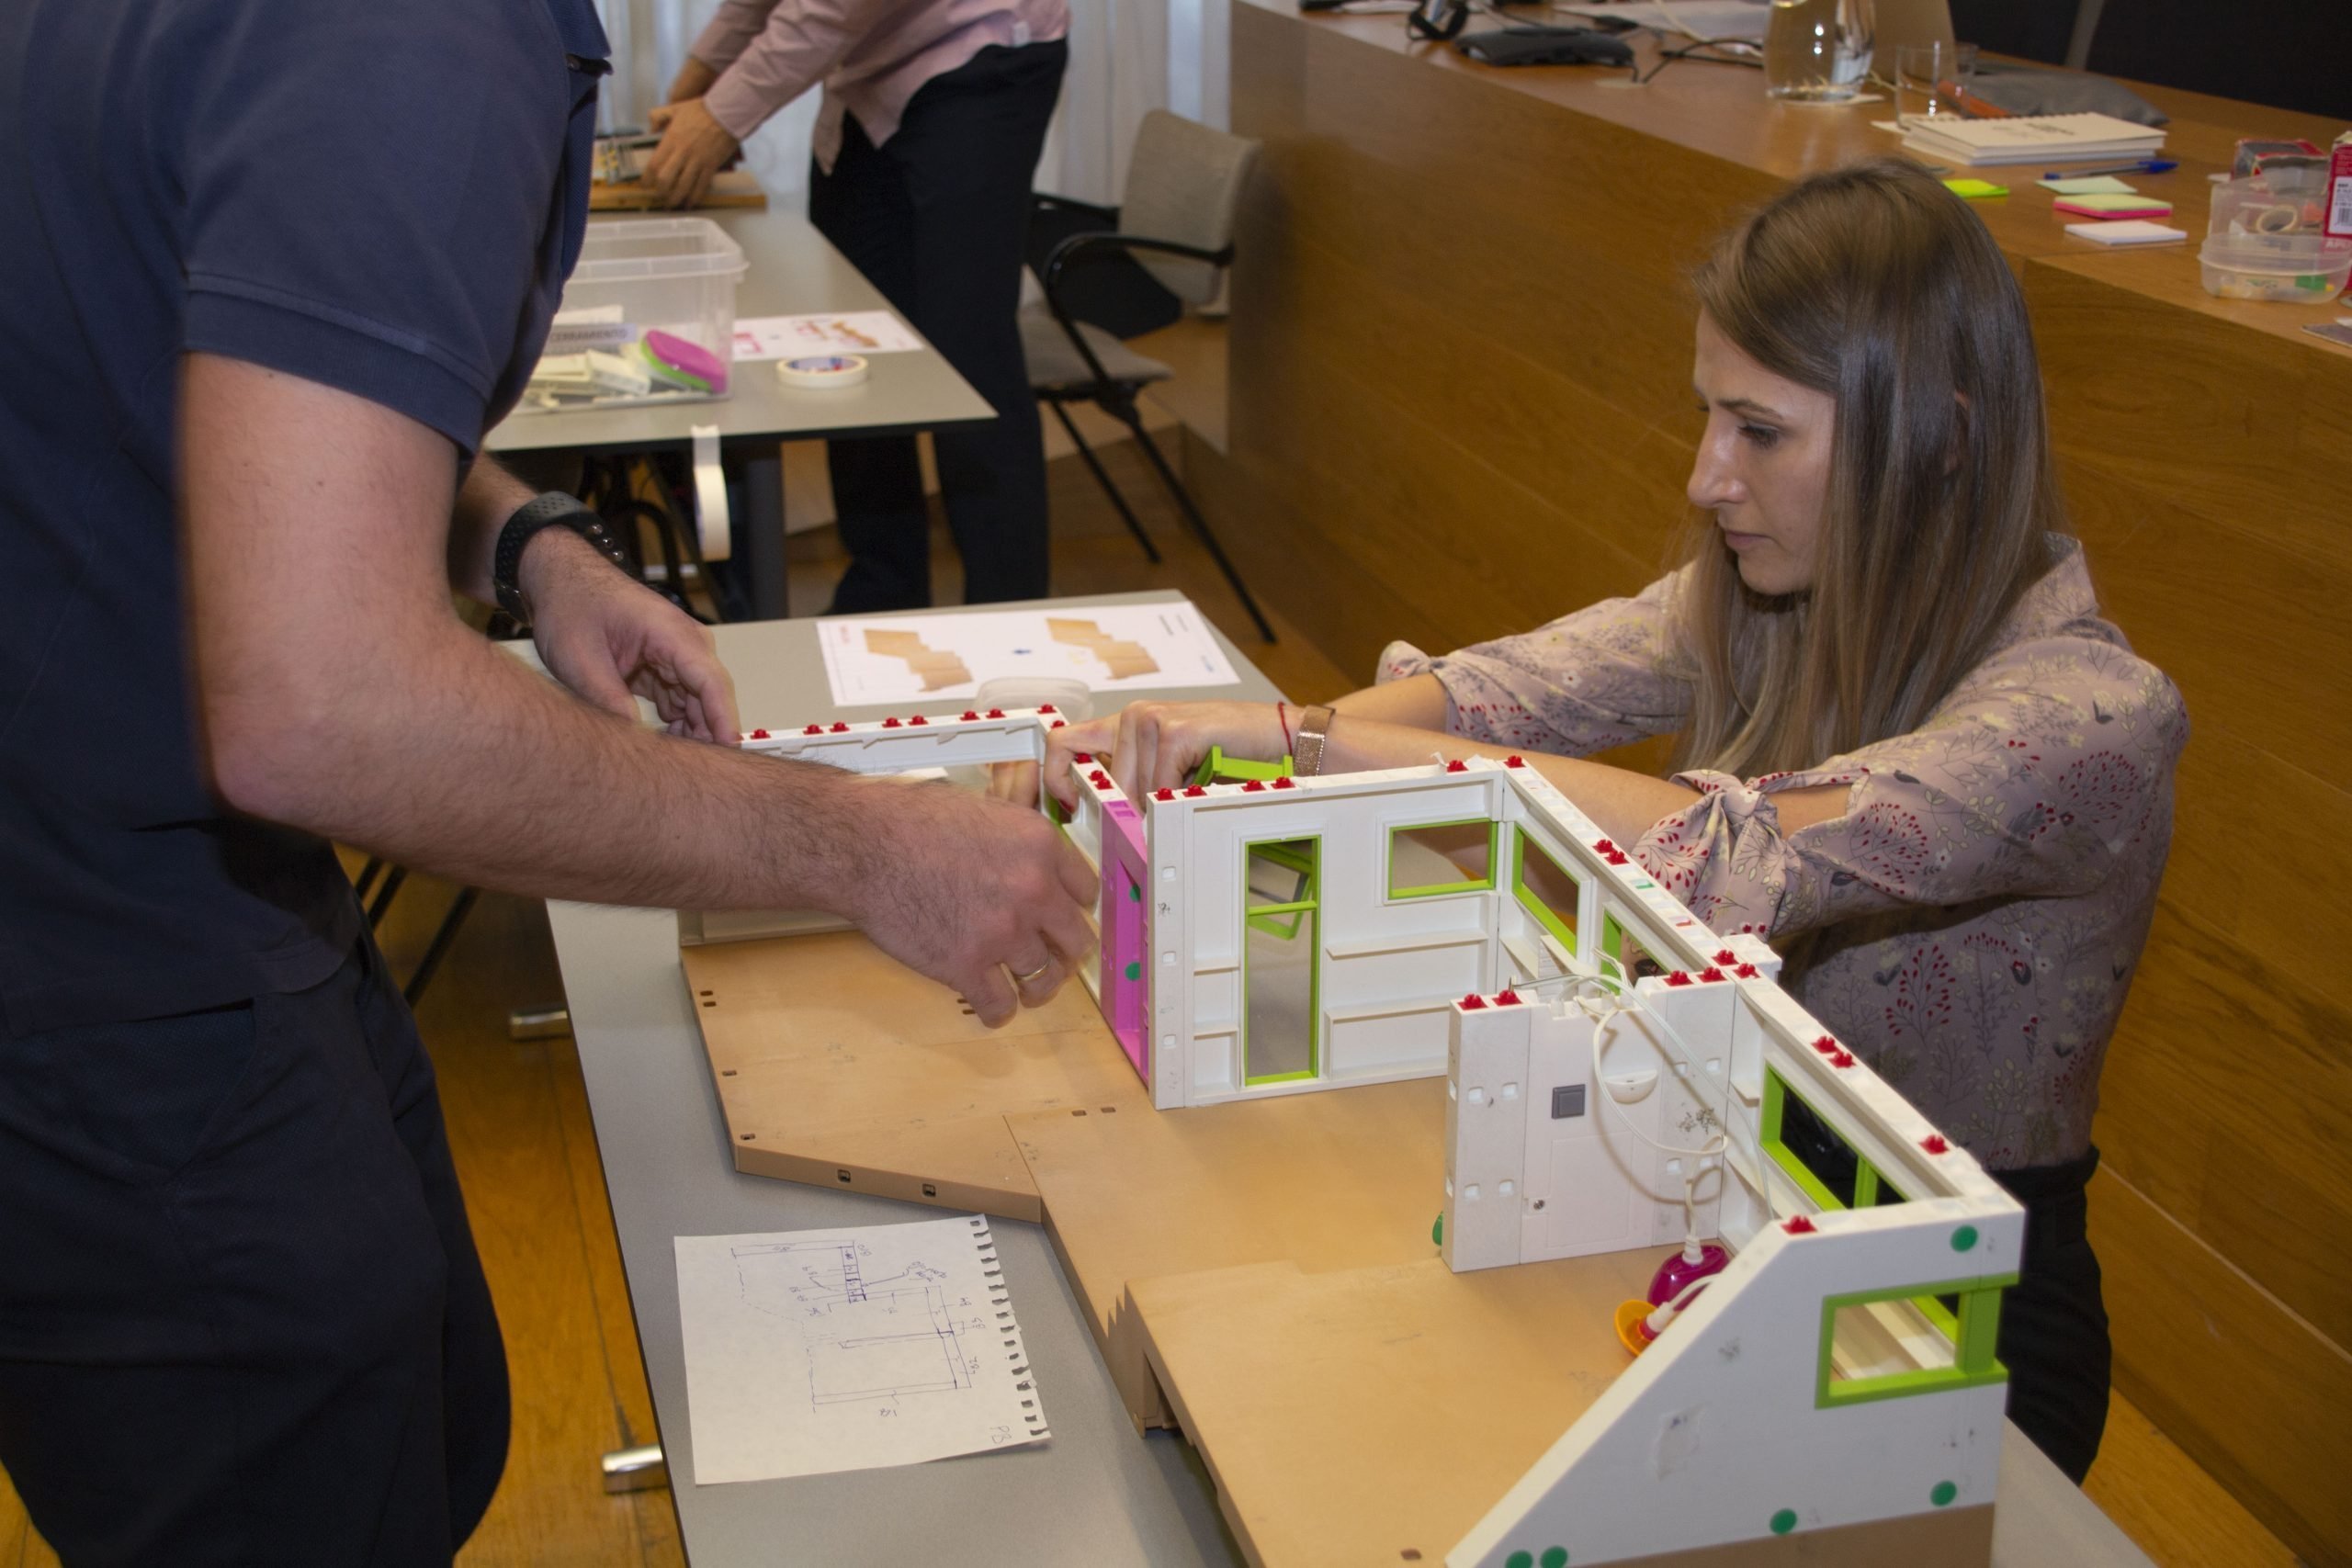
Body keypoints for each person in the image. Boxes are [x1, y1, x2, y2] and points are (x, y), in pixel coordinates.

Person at [0, 1, 1094, 1561]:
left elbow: (200, 348)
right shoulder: (416, 36)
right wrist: (858, 845)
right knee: (316, 1444)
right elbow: (322, 705)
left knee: (422, 1386)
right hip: (99, 937)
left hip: (117, 831)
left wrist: (521, 535)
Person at [1041, 158, 2187, 1484]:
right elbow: (1500, 690)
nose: (1707, 478)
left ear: (1939, 437)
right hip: (1732, 1205)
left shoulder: (2090, 719)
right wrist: (1221, 742)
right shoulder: (1777, 595)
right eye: (1709, 417)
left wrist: (1297, 737)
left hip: (1954, 1314)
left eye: (1760, 432)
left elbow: (1734, 854)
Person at [648, 1, 1069, 612]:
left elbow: (834, 9)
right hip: (870, 68)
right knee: (850, 344)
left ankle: (1011, 616)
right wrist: (692, 93)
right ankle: (884, 589)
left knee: (968, 359)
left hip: (979, 55)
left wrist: (718, 117)